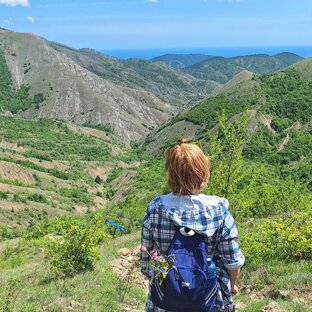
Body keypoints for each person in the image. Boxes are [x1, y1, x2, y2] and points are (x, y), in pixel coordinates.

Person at [140, 139, 245, 312]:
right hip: (210, 301)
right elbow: (232, 262)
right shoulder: (219, 212)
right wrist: (232, 286)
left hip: (165, 302)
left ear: (170, 175)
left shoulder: (155, 209)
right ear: (202, 173)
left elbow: (146, 264)